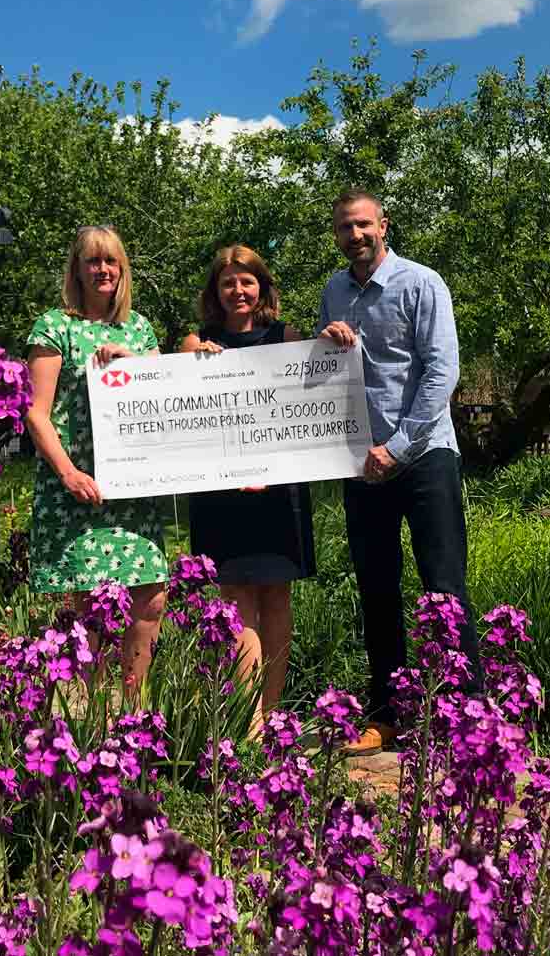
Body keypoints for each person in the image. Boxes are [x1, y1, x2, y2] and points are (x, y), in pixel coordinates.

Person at [316, 189, 480, 756]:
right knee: (376, 590)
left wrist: (400, 445)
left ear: (383, 225)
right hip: (361, 463)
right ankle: (388, 716)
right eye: (344, 228)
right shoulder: (334, 291)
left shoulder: (421, 283)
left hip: (425, 455)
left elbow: (442, 373)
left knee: (444, 587)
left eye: (363, 225)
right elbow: (327, 374)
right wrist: (325, 342)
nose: (354, 235)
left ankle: (465, 720)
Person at [178, 245, 317, 735]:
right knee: (234, 597)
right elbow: (174, 391)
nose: (238, 291)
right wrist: (191, 357)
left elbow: (316, 394)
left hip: (278, 492)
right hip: (222, 494)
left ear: (262, 286)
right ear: (215, 292)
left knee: (277, 596)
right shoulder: (197, 341)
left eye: (247, 281)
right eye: (228, 283)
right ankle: (250, 719)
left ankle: (274, 711)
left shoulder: (289, 338)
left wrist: (336, 341)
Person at [25, 225, 167, 694]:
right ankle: (98, 714)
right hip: (80, 489)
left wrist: (134, 357)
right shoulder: (55, 326)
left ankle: (134, 708)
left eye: (111, 261)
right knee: (91, 606)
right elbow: (35, 412)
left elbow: (167, 393)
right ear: (77, 270)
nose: (103, 269)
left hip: (133, 488)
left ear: (122, 269)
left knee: (151, 596)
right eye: (93, 261)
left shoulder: (140, 327)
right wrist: (68, 473)